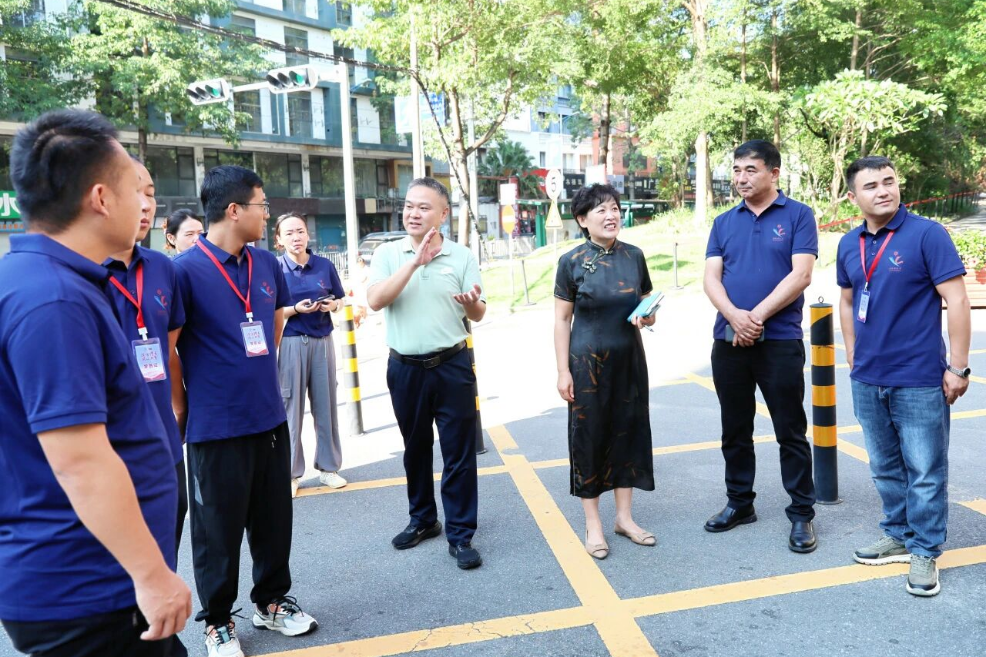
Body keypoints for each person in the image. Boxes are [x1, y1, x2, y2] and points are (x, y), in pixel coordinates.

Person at [0, 109, 190, 656]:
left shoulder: (53, 281)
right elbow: (79, 460)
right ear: (102, 198)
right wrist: (151, 575)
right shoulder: (53, 299)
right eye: (137, 188)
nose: (145, 203)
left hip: (93, 582)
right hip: (89, 592)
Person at [172, 166, 317, 657]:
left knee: (274, 520)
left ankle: (272, 601)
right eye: (261, 205)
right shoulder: (185, 271)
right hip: (215, 427)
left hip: (269, 417)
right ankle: (217, 621)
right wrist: (182, 406)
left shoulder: (267, 264)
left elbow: (274, 321)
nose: (267, 213)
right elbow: (171, 348)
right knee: (217, 531)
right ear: (234, 211)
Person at [837, 156, 970, 597]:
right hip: (867, 377)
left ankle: (926, 548)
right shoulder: (848, 243)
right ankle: (897, 532)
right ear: (854, 197)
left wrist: (957, 365)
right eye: (871, 185)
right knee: (884, 466)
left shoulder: (927, 234)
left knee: (926, 468)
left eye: (889, 182)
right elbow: (847, 298)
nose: (883, 191)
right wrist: (852, 351)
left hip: (918, 377)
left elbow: (957, 300)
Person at [703, 139, 818, 553]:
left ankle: (802, 514)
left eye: (750, 170)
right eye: (736, 170)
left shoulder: (799, 215)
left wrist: (755, 317)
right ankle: (740, 503)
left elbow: (800, 276)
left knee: (790, 429)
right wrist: (735, 316)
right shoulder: (724, 221)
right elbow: (711, 278)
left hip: (780, 341)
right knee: (735, 428)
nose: (740, 178)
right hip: (728, 340)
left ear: (774, 172)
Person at [367, 177, 486, 570]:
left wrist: (472, 305)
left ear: (443, 214)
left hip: (452, 366)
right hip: (405, 368)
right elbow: (375, 300)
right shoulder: (388, 253)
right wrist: (413, 262)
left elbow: (479, 310)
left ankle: (461, 534)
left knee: (458, 452)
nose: (413, 213)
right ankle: (423, 520)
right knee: (415, 448)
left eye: (423, 207)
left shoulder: (462, 255)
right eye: (409, 205)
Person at [553, 184, 657, 560]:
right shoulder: (571, 261)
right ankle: (593, 524)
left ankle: (624, 519)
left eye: (614, 208)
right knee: (589, 438)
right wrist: (563, 370)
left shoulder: (634, 256)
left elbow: (645, 304)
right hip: (585, 365)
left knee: (628, 434)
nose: (611, 215)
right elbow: (562, 320)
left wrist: (649, 315)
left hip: (629, 361)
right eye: (600, 210)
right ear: (582, 220)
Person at [105, 158, 189, 567]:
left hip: (164, 443)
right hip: (110, 452)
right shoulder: (79, 275)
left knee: (165, 552)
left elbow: (167, 343)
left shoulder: (161, 268)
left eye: (151, 194)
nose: (145, 205)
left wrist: (177, 408)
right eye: (134, 193)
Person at [273, 212, 348, 497]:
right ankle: (291, 474)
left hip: (322, 341)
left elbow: (340, 298)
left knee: (326, 406)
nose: (296, 237)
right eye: (289, 233)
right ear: (278, 239)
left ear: (308, 235)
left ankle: (329, 468)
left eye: (300, 231)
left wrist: (333, 306)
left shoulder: (324, 266)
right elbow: (270, 310)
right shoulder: (275, 269)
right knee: (290, 409)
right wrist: (295, 310)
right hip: (290, 342)